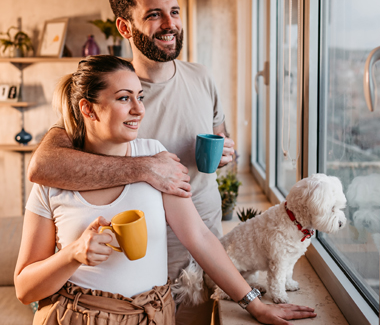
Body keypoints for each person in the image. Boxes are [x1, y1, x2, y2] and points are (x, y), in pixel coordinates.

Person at [15, 55, 317, 325]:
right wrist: (72, 255)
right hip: (76, 315)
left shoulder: (156, 158)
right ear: (88, 109)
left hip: (154, 315)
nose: (138, 110)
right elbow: (25, 289)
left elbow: (199, 238)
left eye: (140, 97)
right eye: (123, 98)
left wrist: (254, 305)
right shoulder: (54, 180)